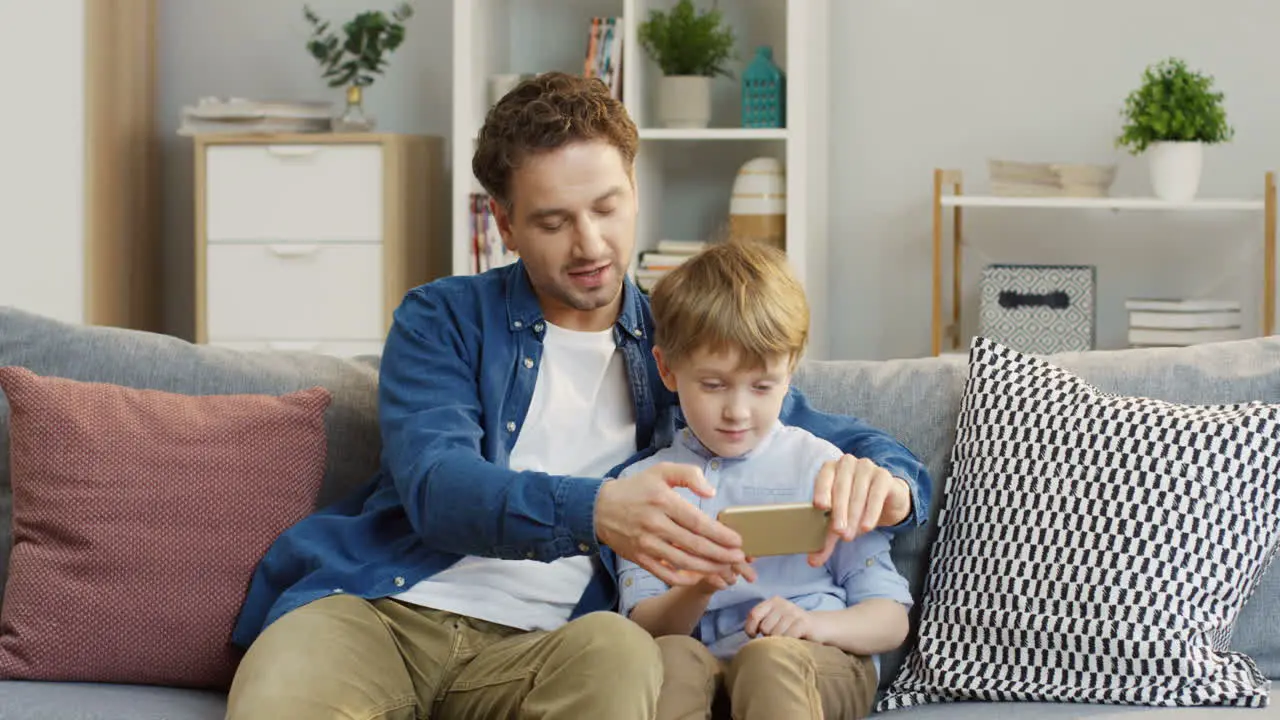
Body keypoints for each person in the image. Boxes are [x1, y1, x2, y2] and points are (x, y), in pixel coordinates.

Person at [224, 71, 930, 720]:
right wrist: (597, 510)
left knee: (624, 656)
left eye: (607, 207)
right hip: (382, 611)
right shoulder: (442, 319)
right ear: (503, 223)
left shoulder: (679, 339)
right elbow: (438, 488)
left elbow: (807, 425)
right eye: (554, 221)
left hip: (553, 647)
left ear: (634, 189)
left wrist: (889, 481)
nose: (590, 245)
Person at [614, 240, 914, 720]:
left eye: (761, 386)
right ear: (668, 369)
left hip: (817, 656)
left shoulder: (822, 468)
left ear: (790, 372)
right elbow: (647, 627)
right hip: (704, 659)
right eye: (713, 385)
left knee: (768, 659)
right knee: (669, 660)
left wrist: (814, 625)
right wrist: (701, 586)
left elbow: (891, 618)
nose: (737, 411)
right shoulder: (645, 486)